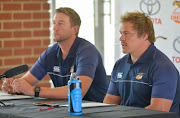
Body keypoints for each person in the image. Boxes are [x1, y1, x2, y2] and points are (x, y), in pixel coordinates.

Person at [2, 7, 108, 103]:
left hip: (95, 110)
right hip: (65, 109)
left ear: (74, 29)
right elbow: (26, 82)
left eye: (60, 23)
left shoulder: (87, 51)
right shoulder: (50, 53)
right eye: (54, 23)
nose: (54, 28)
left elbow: (77, 91)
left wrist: (36, 91)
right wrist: (15, 87)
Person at [103, 11, 180, 114]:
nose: (121, 38)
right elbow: (109, 103)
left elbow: (158, 112)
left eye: (126, 33)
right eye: (121, 33)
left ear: (144, 36)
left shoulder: (162, 67)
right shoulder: (120, 64)